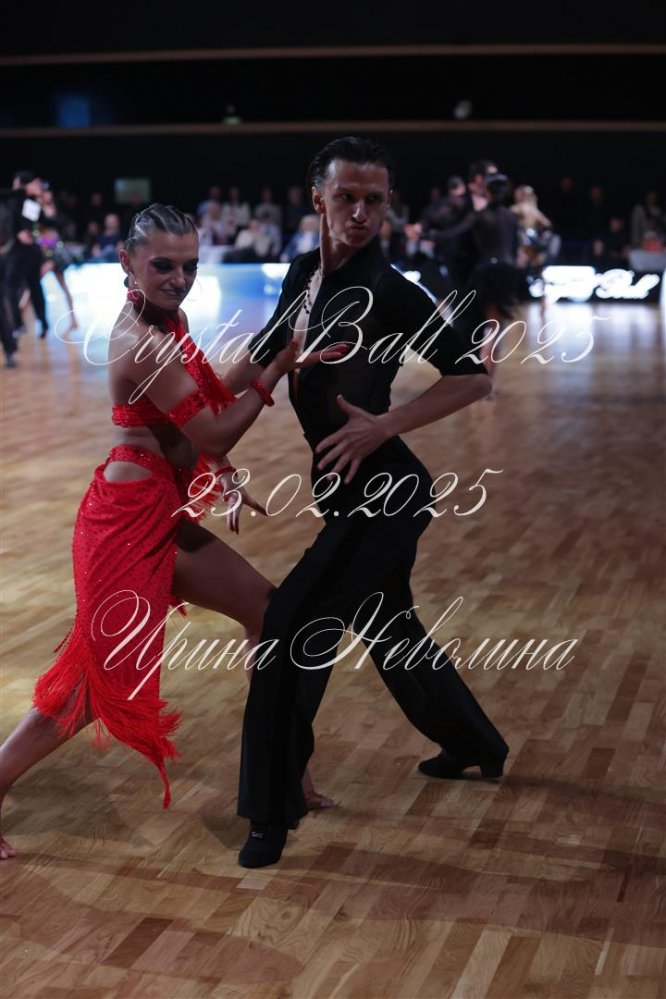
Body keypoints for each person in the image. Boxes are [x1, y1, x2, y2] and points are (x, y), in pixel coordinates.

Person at [0, 204, 345, 860]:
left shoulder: (168, 322)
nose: (179, 279)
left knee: (269, 612)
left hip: (160, 515)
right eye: (163, 265)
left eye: (189, 265)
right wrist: (277, 371)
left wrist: (277, 347)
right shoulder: (141, 340)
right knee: (95, 686)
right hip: (125, 526)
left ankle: (280, 773)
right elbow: (212, 428)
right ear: (127, 261)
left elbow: (210, 389)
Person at [223, 137, 509, 868]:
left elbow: (474, 377)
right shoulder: (302, 274)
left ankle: (270, 812)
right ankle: (476, 743)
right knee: (390, 627)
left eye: (373, 200)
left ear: (388, 205)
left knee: (289, 626)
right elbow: (262, 356)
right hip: (346, 493)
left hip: (385, 495)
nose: (359, 212)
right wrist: (186, 415)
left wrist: (385, 424)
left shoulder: (391, 288)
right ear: (317, 197)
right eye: (346, 197)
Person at [1, 170, 49, 347]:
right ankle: (37, 323)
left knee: (16, 287)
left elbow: (32, 224)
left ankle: (25, 323)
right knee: (31, 287)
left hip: (21, 252)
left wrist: (25, 231)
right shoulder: (21, 199)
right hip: (26, 251)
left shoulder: (27, 201)